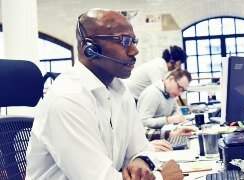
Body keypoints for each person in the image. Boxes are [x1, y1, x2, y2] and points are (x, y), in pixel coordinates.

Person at [26, 9, 183, 180]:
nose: (134, 50)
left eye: (134, 41)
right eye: (124, 41)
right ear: (89, 48)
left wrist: (140, 162)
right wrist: (162, 177)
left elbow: (142, 149)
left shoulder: (119, 91)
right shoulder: (68, 99)